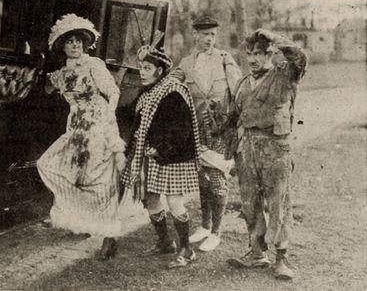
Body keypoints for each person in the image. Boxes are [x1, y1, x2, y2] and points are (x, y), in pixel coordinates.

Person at [37, 14, 126, 260]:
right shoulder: (61, 73)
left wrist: (107, 119)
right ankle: (82, 219)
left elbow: (113, 92)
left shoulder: (94, 65)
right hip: (76, 128)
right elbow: (44, 86)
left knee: (100, 180)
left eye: (79, 41)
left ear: (84, 43)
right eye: (70, 42)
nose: (75, 45)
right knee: (53, 167)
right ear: (63, 46)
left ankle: (110, 236)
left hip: (98, 125)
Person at [226, 29, 307, 280]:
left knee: (278, 203)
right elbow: (232, 119)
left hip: (276, 148)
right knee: (249, 203)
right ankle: (257, 252)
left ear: (270, 53)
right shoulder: (242, 83)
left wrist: (273, 36)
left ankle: (281, 257)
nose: (253, 59)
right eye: (249, 53)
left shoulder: (284, 75)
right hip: (248, 149)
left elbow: (300, 58)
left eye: (259, 53)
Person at [120, 41, 201, 268]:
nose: (142, 72)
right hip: (150, 155)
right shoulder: (148, 93)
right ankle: (165, 242)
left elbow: (182, 130)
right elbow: (135, 121)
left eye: (147, 68)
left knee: (174, 201)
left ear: (160, 70)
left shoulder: (173, 92)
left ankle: (187, 249)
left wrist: (162, 148)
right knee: (150, 198)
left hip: (171, 158)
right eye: (141, 67)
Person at [170, 15, 242, 251]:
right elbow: (170, 86)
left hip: (220, 130)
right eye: (204, 35)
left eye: (212, 35)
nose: (209, 39)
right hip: (196, 129)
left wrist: (237, 125)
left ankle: (216, 232)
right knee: (202, 177)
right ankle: (205, 225)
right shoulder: (186, 63)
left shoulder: (224, 59)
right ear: (195, 35)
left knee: (217, 177)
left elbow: (239, 92)